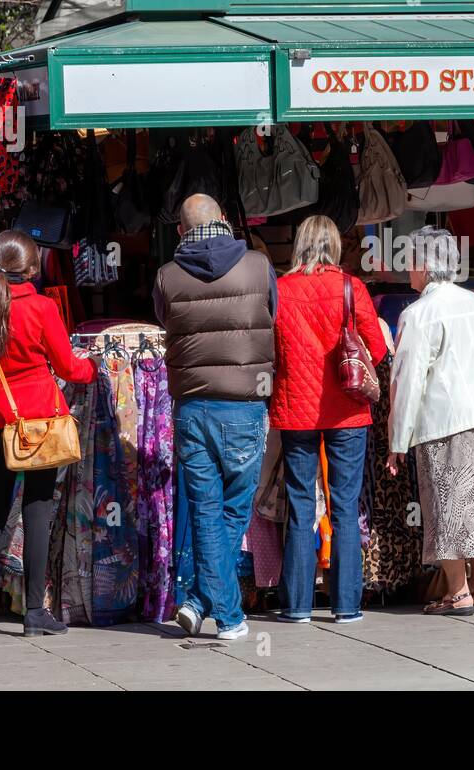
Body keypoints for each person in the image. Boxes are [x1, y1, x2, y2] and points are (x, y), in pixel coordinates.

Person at [0, 229, 98, 637]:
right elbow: (71, 368)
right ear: (33, 266)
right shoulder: (41, 307)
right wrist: (95, 368)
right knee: (38, 514)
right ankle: (34, 613)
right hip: (40, 422)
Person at [154, 193, 277, 641]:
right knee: (232, 513)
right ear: (225, 220)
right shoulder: (259, 266)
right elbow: (272, 317)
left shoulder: (167, 276)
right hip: (245, 405)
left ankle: (198, 601)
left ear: (182, 232)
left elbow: (166, 321)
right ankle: (227, 615)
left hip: (192, 407)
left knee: (206, 513)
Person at [384, 227, 474, 615]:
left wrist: (398, 440)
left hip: (447, 423)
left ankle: (456, 592)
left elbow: (407, 381)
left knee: (447, 507)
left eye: (409, 261)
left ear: (425, 265)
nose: (407, 270)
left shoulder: (417, 314)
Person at [271, 215, 387, 623]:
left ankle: (299, 606)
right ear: (335, 245)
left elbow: (271, 352)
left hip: (295, 411)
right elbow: (376, 348)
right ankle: (346, 606)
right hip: (347, 411)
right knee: (344, 507)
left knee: (302, 507)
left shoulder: (280, 291)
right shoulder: (351, 287)